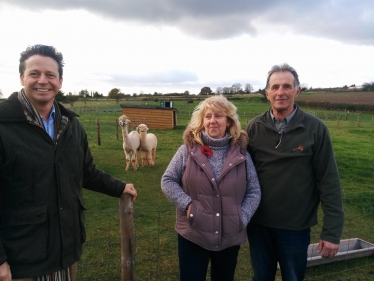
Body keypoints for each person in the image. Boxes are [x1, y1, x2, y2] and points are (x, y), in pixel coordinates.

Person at [0, 44, 137, 281]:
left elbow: (85, 171)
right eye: (34, 73)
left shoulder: (71, 125)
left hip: (66, 250)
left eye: (50, 75)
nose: (43, 81)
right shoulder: (4, 125)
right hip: (21, 259)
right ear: (22, 77)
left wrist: (119, 187)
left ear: (60, 81)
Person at [246, 63, 344, 281]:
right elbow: (240, 173)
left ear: (297, 90)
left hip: (295, 228)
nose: (281, 92)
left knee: (292, 277)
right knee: (261, 277)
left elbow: (329, 181)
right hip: (259, 225)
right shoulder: (254, 127)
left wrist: (332, 232)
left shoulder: (315, 128)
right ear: (267, 93)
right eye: (275, 87)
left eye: (287, 86)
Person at [161, 95, 261, 281]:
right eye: (208, 116)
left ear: (229, 121)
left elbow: (254, 191)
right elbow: (168, 180)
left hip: (229, 237)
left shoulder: (242, 155)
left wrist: (242, 217)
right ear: (202, 121)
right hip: (193, 233)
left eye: (219, 116)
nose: (212, 121)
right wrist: (188, 205)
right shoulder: (187, 150)